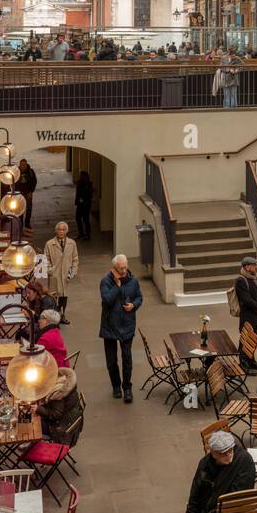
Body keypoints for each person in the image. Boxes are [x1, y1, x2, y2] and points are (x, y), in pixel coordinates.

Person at [99, 253, 143, 402]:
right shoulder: (105, 282)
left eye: (125, 267)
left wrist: (134, 305)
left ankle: (127, 388)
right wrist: (117, 286)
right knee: (111, 360)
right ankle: (116, 386)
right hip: (110, 326)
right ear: (114, 268)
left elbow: (139, 297)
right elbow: (107, 300)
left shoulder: (133, 281)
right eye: (120, 268)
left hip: (127, 324)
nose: (123, 271)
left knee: (127, 359)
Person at [235, 255, 257, 371]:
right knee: (245, 340)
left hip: (254, 314)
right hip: (247, 315)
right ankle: (243, 363)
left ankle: (251, 360)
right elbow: (246, 299)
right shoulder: (241, 280)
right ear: (247, 267)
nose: (256, 267)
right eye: (254, 265)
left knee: (253, 339)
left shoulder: (254, 277)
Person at [36, 367, 83, 446]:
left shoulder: (57, 394)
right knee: (36, 415)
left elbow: (55, 415)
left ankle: (31, 444)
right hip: (69, 423)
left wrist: (38, 408)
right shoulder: (63, 379)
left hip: (60, 430)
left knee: (33, 422)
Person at [44, 221, 78, 323]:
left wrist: (73, 271)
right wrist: (51, 269)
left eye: (63, 229)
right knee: (54, 297)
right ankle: (54, 317)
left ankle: (62, 315)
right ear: (56, 231)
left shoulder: (72, 243)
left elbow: (75, 258)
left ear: (67, 231)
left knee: (64, 296)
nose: (61, 231)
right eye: (59, 229)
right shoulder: (49, 244)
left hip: (66, 275)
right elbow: (45, 259)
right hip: (54, 275)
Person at [15, 158, 37, 227]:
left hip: (28, 193)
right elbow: (14, 182)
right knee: (20, 209)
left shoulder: (31, 171)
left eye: (24, 165)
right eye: (21, 165)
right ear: (20, 165)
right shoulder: (16, 172)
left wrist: (31, 191)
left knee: (29, 209)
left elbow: (34, 182)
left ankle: (27, 223)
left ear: (26, 165)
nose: (23, 166)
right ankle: (20, 223)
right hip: (20, 194)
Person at [75, 170, 93, 240]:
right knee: (78, 218)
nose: (80, 176)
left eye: (81, 175)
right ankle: (81, 233)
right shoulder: (80, 183)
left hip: (85, 205)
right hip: (80, 204)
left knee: (85, 219)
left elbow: (88, 196)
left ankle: (87, 234)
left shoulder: (87, 185)